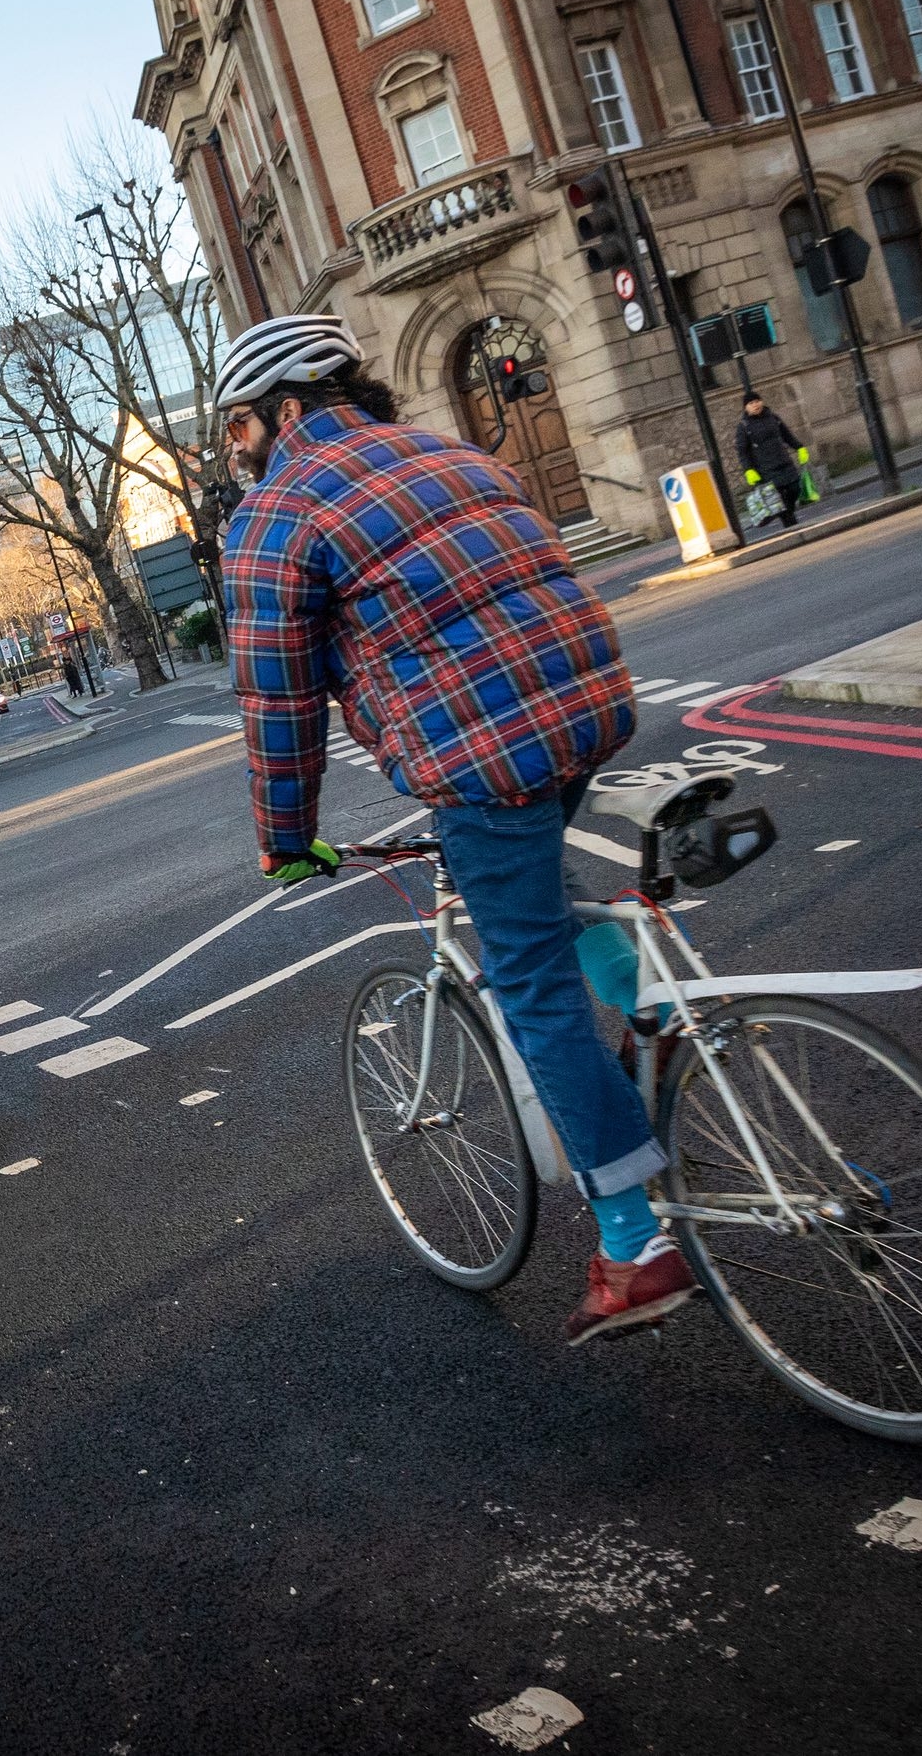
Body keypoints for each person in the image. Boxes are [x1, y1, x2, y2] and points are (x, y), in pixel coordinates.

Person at [215, 312, 692, 1345]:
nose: (234, 451)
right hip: (590, 701)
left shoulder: (273, 515)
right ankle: (656, 999)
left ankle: (631, 1237)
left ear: (284, 410)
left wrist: (284, 835)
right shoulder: (449, 448)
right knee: (537, 900)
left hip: (484, 756)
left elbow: (278, 705)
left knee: (527, 986)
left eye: (237, 429)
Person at [731, 392, 808, 528]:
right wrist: (748, 469)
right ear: (746, 408)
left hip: (784, 461)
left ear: (762, 402)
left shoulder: (773, 418)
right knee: (778, 497)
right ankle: (789, 521)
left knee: (795, 488)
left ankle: (788, 514)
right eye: (751, 403)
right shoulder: (743, 426)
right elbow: (743, 451)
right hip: (765, 468)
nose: (755, 405)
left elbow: (786, 435)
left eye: (757, 401)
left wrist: (799, 447)